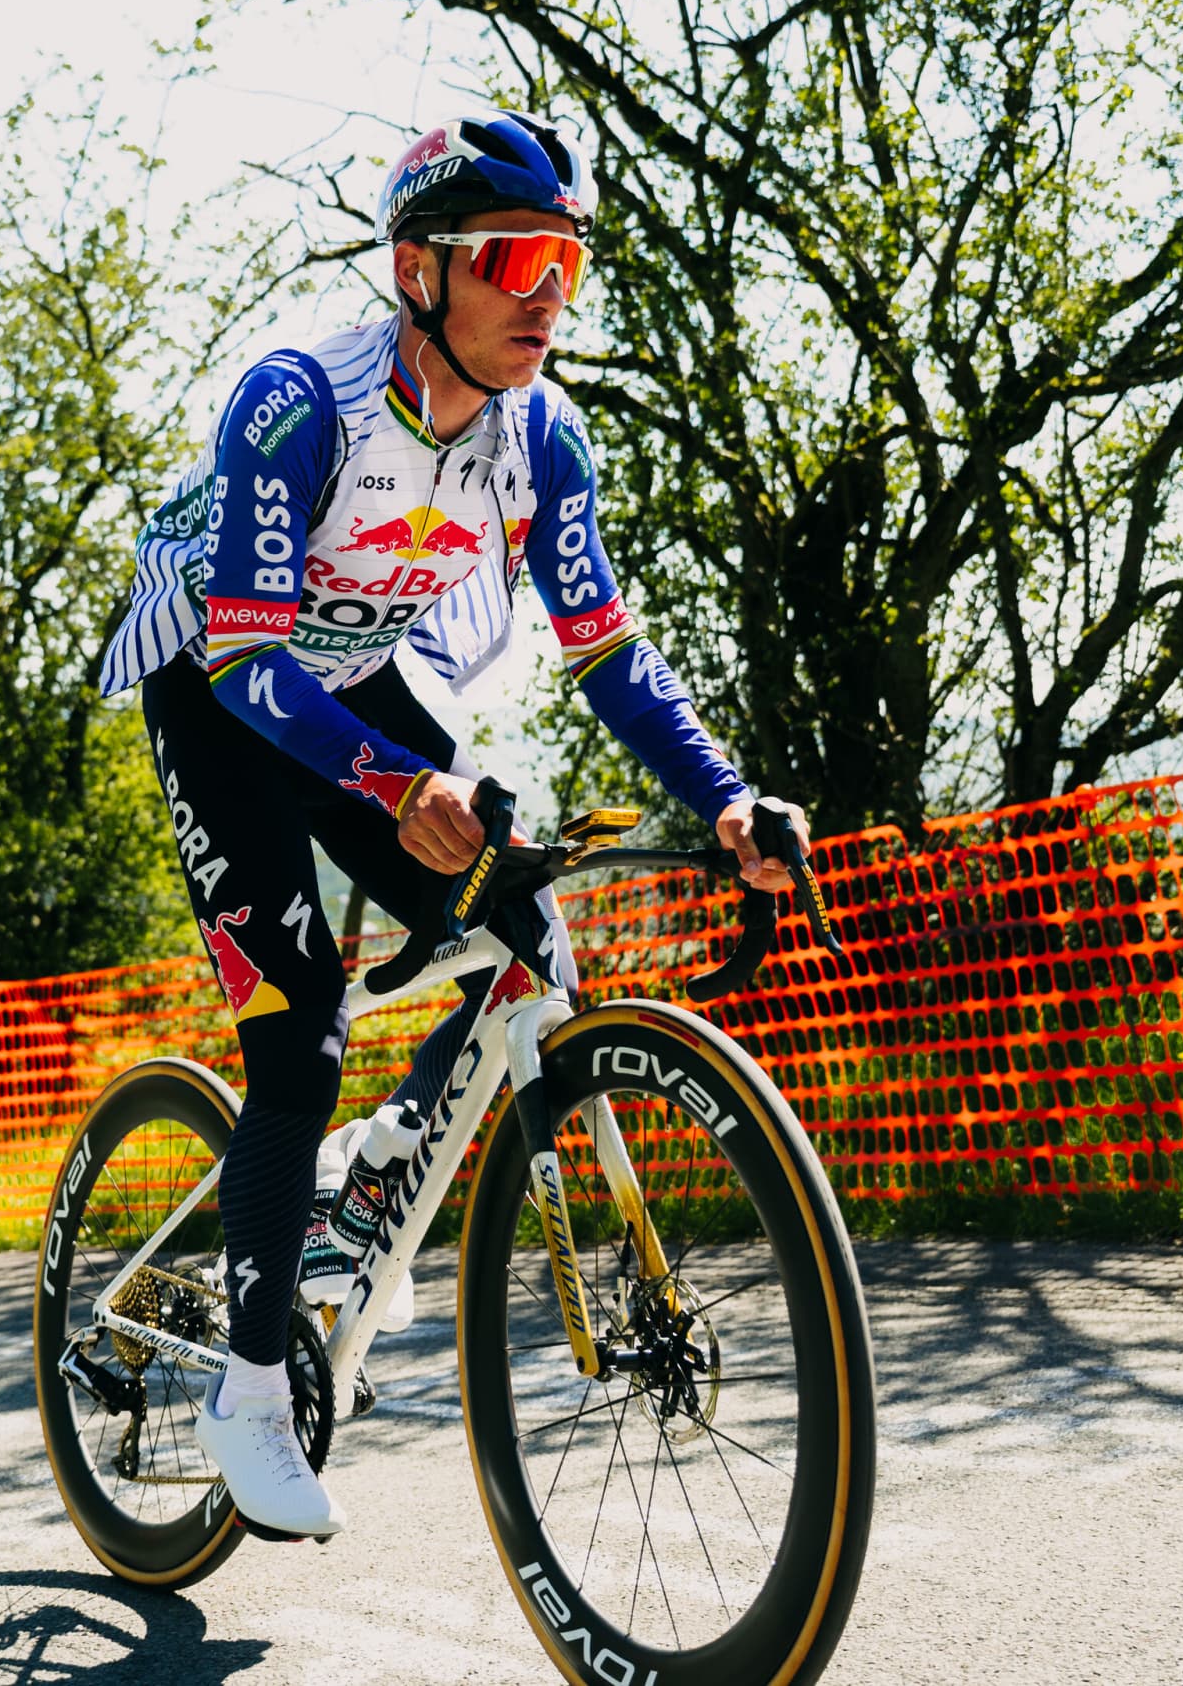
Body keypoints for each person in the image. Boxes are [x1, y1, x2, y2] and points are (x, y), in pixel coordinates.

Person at [96, 108, 801, 1540]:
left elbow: (610, 655)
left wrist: (727, 797)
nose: (549, 294)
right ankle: (247, 1393)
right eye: (515, 260)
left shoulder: (544, 437)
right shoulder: (299, 404)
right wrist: (398, 786)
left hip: (350, 675)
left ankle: (378, 1168)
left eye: (568, 264)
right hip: (221, 687)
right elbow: (245, 663)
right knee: (300, 1033)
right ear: (420, 272)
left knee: (524, 923)